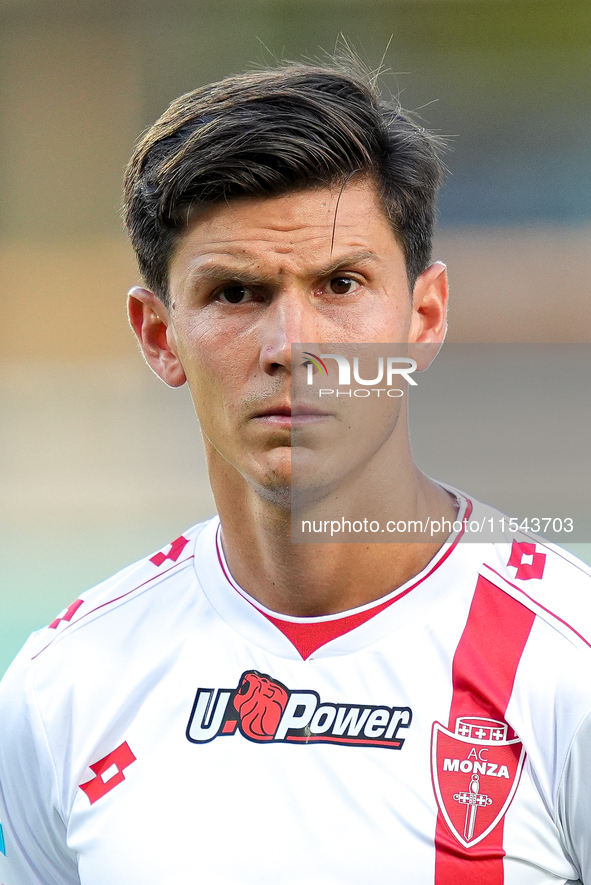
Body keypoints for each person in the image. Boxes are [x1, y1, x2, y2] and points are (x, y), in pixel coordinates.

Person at [1, 62, 590, 885]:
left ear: (422, 317)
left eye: (340, 284)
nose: (292, 345)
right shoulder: (62, 687)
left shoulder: (567, 664)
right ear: (158, 336)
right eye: (236, 293)